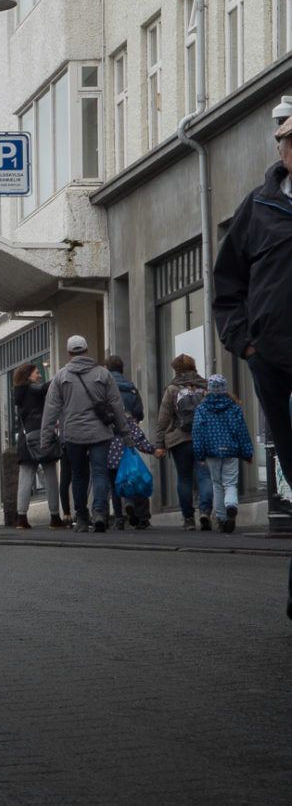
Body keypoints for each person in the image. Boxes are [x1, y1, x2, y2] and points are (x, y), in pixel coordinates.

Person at [213, 102, 292, 616]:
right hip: (277, 362)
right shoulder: (259, 207)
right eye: (289, 142)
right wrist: (246, 344)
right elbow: (227, 283)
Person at [39, 335, 131, 533]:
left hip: (73, 434)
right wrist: (126, 434)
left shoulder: (61, 376)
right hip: (100, 433)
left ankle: (81, 518)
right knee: (100, 472)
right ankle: (99, 511)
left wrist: (46, 438)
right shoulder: (103, 374)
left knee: (79, 475)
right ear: (87, 351)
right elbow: (116, 406)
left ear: (69, 353)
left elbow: (51, 409)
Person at [153, 354, 212, 531]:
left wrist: (159, 444)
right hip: (202, 438)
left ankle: (188, 519)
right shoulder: (205, 386)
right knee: (204, 476)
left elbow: (163, 419)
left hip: (179, 439)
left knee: (184, 478)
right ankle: (205, 512)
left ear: (176, 370)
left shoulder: (172, 389)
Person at [192, 374, 254, 534]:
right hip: (231, 450)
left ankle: (221, 518)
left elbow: (198, 432)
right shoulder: (234, 407)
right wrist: (248, 454)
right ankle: (231, 506)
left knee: (217, 484)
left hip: (212, 452)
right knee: (230, 483)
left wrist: (199, 455)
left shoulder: (202, 408)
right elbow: (242, 432)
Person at [12, 363, 63, 529]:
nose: (39, 375)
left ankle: (21, 518)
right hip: (41, 436)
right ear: (28, 376)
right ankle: (55, 518)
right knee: (50, 477)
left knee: (25, 478)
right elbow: (44, 389)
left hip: (26, 438)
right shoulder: (32, 387)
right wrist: (61, 375)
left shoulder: (19, 391)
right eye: (36, 373)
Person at [103, 355, 145, 529]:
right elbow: (139, 412)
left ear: (106, 369)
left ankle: (119, 517)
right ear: (123, 369)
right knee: (130, 474)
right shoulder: (131, 389)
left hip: (109, 438)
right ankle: (131, 503)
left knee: (112, 479)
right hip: (127, 438)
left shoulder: (104, 389)